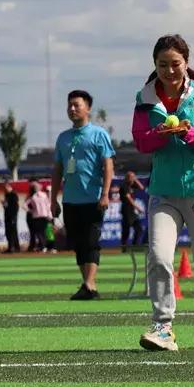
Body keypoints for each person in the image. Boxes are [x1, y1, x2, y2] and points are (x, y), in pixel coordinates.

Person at [132, 34, 194, 351]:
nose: (169, 71)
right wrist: (159, 134)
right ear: (155, 66)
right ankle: (163, 327)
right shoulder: (146, 97)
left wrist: (188, 132)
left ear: (186, 63)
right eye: (163, 65)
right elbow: (141, 141)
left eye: (175, 64)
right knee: (159, 258)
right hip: (163, 192)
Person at [51, 90, 115, 300]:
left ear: (88, 108)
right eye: (69, 105)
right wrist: (53, 199)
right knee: (78, 243)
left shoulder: (98, 134)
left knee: (91, 241)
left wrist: (105, 194)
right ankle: (89, 286)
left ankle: (89, 282)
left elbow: (108, 166)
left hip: (93, 198)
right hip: (70, 199)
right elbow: (58, 170)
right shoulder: (63, 138)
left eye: (76, 105)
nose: (72, 109)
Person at [118, 171, 146, 250]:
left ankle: (135, 246)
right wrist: (138, 208)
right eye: (131, 177)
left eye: (133, 177)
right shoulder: (124, 186)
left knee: (139, 229)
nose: (132, 178)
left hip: (132, 210)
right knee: (126, 230)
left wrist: (136, 180)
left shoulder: (132, 185)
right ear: (127, 177)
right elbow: (129, 199)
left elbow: (141, 188)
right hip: (126, 209)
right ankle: (124, 248)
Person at [25, 180, 52, 252]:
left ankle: (43, 246)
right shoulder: (44, 195)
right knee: (43, 231)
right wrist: (50, 215)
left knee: (39, 232)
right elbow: (48, 205)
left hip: (36, 216)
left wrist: (31, 211)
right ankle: (44, 246)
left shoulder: (33, 196)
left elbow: (24, 205)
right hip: (44, 216)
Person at [2, 182, 20, 253]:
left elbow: (16, 206)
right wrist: (3, 204)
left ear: (10, 187)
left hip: (12, 216)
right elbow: (6, 207)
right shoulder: (6, 195)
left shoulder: (13, 194)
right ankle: (10, 247)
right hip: (7, 215)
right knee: (8, 232)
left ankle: (16, 247)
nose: (5, 188)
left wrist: (14, 216)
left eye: (6, 187)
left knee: (13, 232)